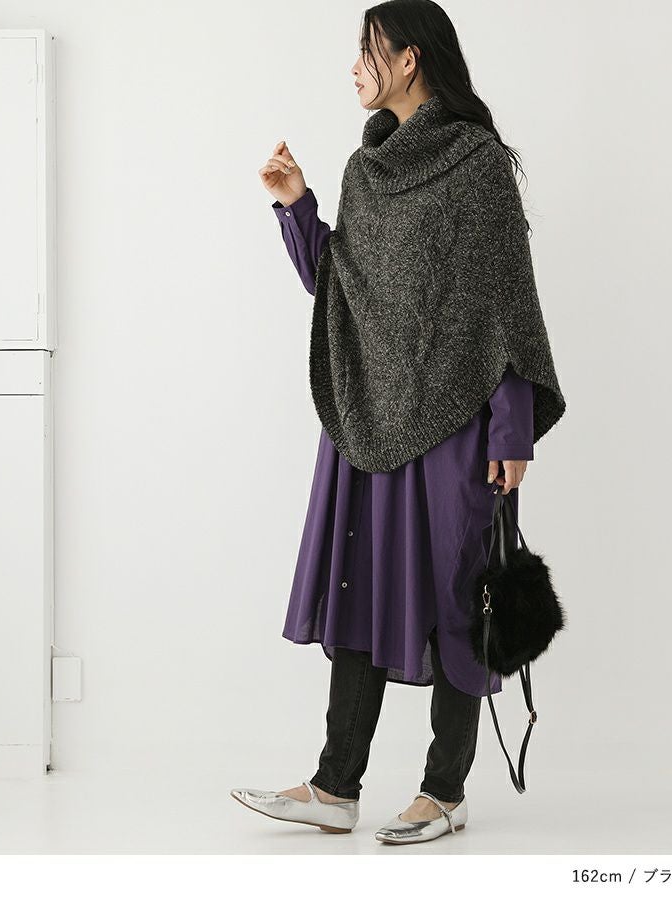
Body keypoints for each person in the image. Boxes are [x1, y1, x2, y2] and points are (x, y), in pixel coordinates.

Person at [231, 0, 566, 845]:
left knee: (457, 596)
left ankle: (444, 791)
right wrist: (297, 206)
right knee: (359, 585)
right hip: (369, 416)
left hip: (456, 424)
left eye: (367, 50)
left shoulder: (477, 165)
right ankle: (334, 786)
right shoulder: (365, 169)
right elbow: (344, 292)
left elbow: (505, 308)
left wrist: (511, 433)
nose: (354, 66)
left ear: (409, 59)